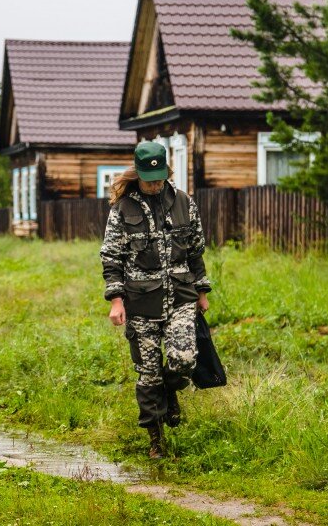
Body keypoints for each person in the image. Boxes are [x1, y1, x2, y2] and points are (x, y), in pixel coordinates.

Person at [100, 141, 211, 459]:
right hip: (141, 302)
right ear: (138, 174)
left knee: (184, 360)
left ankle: (169, 391)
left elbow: (195, 250)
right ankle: (155, 440)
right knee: (148, 373)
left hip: (180, 296)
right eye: (149, 179)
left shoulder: (183, 202)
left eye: (159, 178)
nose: (154, 184)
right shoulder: (122, 209)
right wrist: (116, 300)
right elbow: (112, 257)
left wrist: (201, 292)